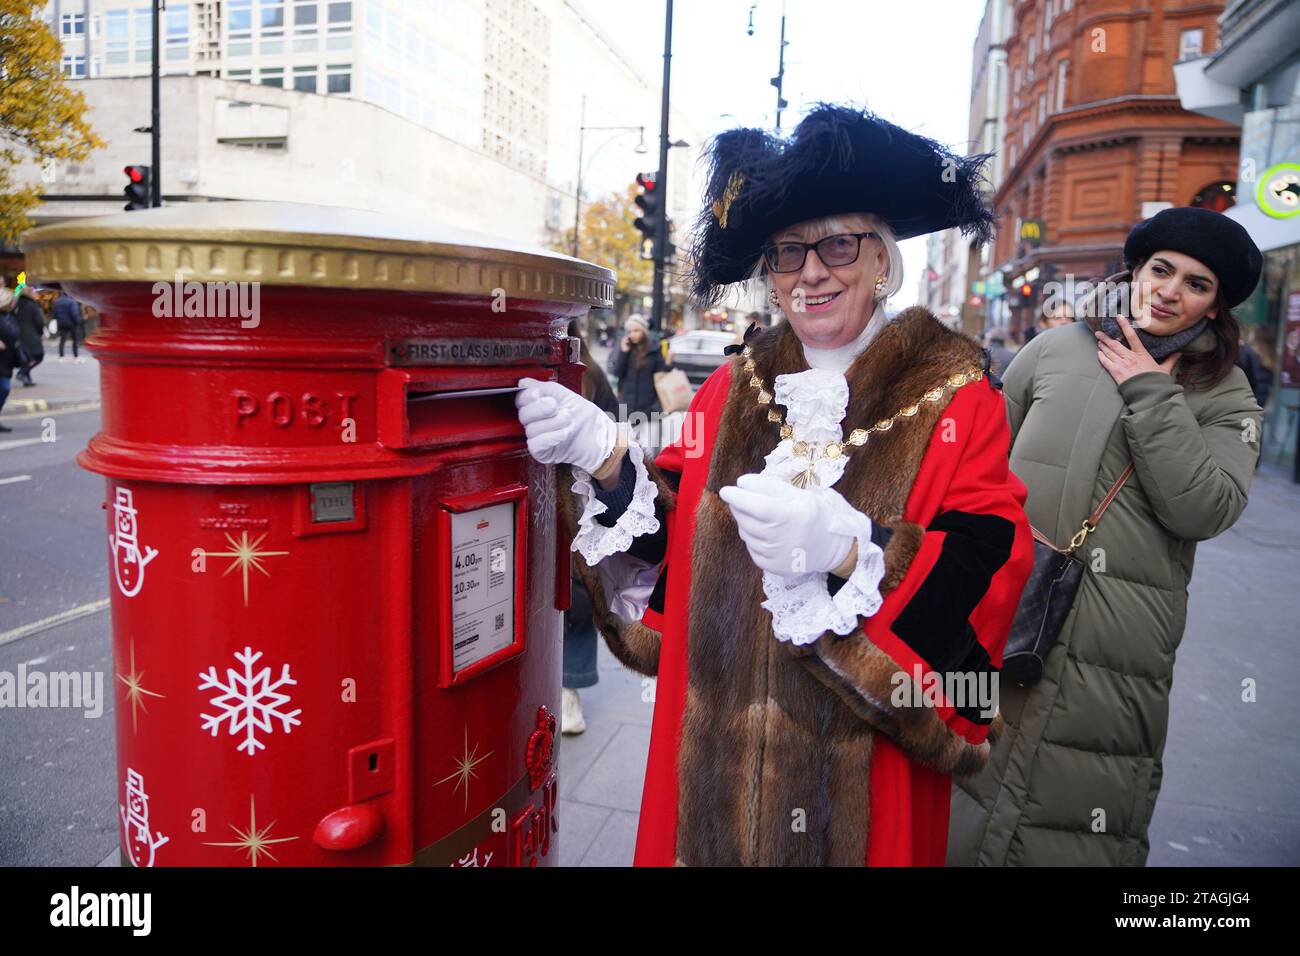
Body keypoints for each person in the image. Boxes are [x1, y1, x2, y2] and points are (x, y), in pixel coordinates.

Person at [516, 105, 1033, 866]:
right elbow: (668, 550)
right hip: (710, 778)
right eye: (789, 253)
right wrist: (606, 458)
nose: (812, 271)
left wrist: (855, 552)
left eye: (837, 244)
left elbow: (994, 564)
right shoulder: (731, 390)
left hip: (864, 781)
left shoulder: (956, 396)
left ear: (883, 259)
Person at [948, 206, 1265, 866]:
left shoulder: (1226, 394)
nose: (1170, 290)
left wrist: (1152, 392)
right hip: (1008, 604)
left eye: (1196, 284)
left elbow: (1206, 507)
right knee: (965, 776)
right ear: (1135, 271)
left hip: (1117, 642)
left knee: (1077, 802)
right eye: (1161, 269)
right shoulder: (1054, 349)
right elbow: (976, 466)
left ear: (1215, 308)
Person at [561, 319, 619, 735]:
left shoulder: (573, 372)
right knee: (579, 591)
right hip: (584, 498)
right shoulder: (592, 370)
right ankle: (569, 693)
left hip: (562, 495)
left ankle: (564, 692)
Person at [611, 315, 670, 419]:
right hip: (627, 407)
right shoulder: (626, 348)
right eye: (629, 331)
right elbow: (617, 373)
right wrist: (624, 352)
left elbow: (661, 378)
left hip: (649, 408)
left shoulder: (655, 349)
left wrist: (655, 407)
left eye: (636, 330)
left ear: (644, 331)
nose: (632, 334)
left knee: (648, 435)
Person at [13, 285, 46, 387]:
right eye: (33, 292)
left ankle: (27, 379)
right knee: (38, 356)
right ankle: (22, 373)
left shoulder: (17, 305)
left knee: (27, 357)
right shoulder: (33, 305)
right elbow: (39, 321)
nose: (35, 294)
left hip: (19, 334)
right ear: (29, 293)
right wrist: (41, 332)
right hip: (32, 334)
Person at [0, 287, 21, 432]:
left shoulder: (9, 315)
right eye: (11, 300)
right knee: (4, 387)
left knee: (4, 389)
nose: (13, 303)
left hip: (7, 359)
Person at [53, 290, 85, 363]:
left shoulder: (57, 301)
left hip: (61, 322)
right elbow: (74, 314)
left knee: (62, 340)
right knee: (75, 340)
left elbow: (54, 314)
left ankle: (61, 357)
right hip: (71, 323)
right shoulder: (72, 301)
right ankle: (75, 356)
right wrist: (78, 322)